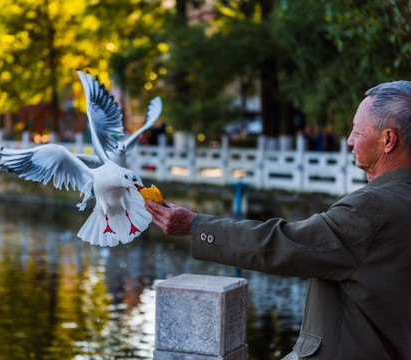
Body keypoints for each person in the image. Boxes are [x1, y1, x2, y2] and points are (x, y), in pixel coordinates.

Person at [145, 80, 411, 360]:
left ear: (388, 140)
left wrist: (195, 226)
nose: (349, 140)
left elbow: (283, 245)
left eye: (357, 130)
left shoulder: (371, 208)